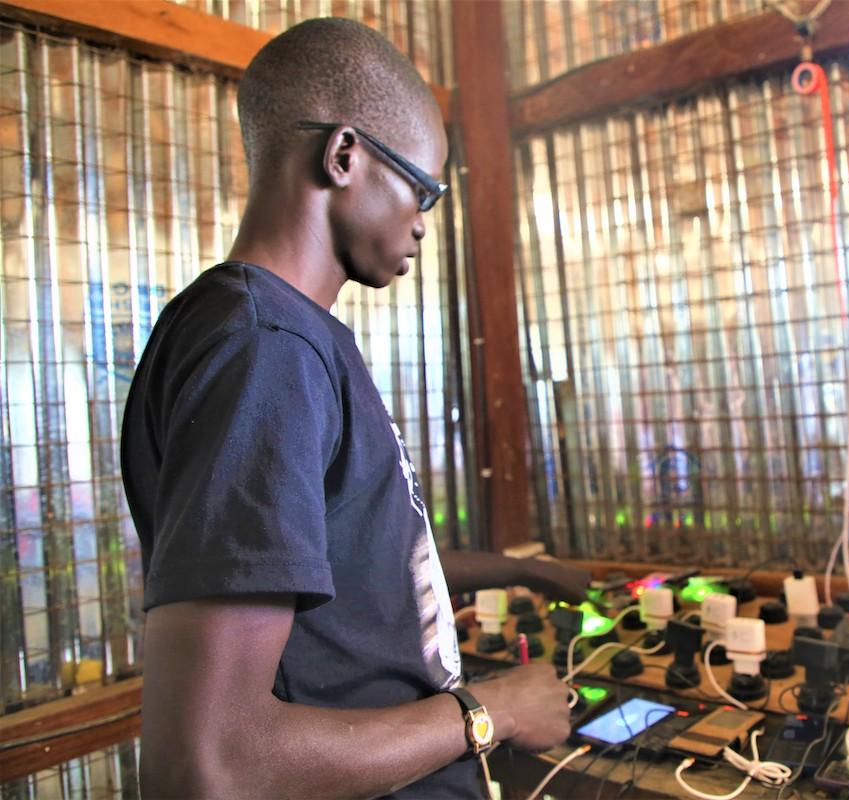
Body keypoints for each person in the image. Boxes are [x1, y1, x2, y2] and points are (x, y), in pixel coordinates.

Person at [120, 18, 585, 799]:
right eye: (422, 189)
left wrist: (516, 569)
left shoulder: (282, 338)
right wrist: (491, 713)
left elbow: (346, 563)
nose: (423, 222)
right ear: (343, 156)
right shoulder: (264, 350)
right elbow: (210, 764)